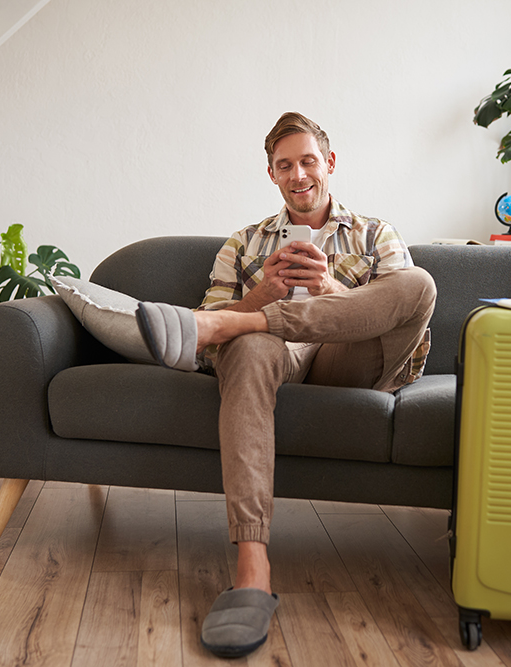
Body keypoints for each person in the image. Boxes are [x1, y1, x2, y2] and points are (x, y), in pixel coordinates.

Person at [135, 112, 436, 658]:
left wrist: (329, 291)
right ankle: (251, 565)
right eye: (284, 165)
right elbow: (205, 338)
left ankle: (244, 322)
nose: (298, 175)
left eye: (308, 162)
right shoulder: (245, 242)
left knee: (417, 284)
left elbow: (401, 314)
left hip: (352, 361)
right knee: (245, 343)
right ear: (271, 174)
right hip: (277, 354)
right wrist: (258, 300)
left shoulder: (375, 235)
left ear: (330, 164)